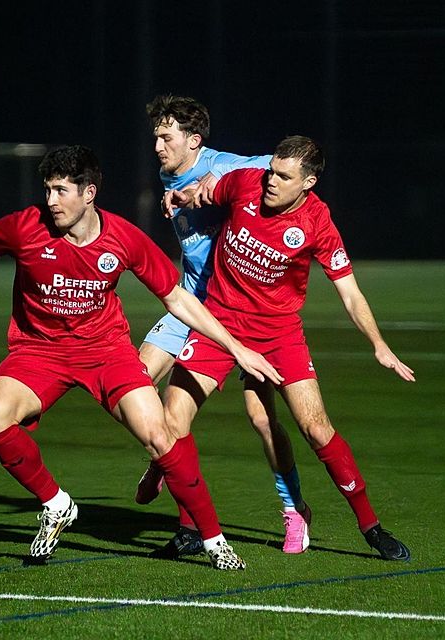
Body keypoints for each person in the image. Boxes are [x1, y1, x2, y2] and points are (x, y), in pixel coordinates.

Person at [0, 145, 283, 570]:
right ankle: (56, 503)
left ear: (89, 193)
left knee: (161, 436)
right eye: (48, 190)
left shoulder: (122, 237)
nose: (51, 201)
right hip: (39, 351)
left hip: (106, 352)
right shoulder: (25, 227)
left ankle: (212, 539)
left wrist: (236, 347)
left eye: (61, 191)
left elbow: (177, 297)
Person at [155, 135, 414, 561]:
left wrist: (378, 344)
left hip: (279, 334)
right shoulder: (245, 183)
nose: (271, 180)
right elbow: (203, 193)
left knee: (312, 427)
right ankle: (190, 528)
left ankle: (370, 527)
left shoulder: (318, 223)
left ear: (308, 182)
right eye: (272, 170)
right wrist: (180, 197)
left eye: (284, 176)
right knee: (173, 417)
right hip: (220, 324)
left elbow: (349, 292)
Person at [136, 95, 313, 559]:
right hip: (192, 302)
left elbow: (273, 164)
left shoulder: (221, 164)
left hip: (241, 310)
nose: (157, 145)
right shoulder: (168, 172)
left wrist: (217, 179)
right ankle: (181, 502)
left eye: (166, 137)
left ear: (194, 142)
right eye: (156, 135)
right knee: (136, 381)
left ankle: (294, 509)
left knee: (261, 418)